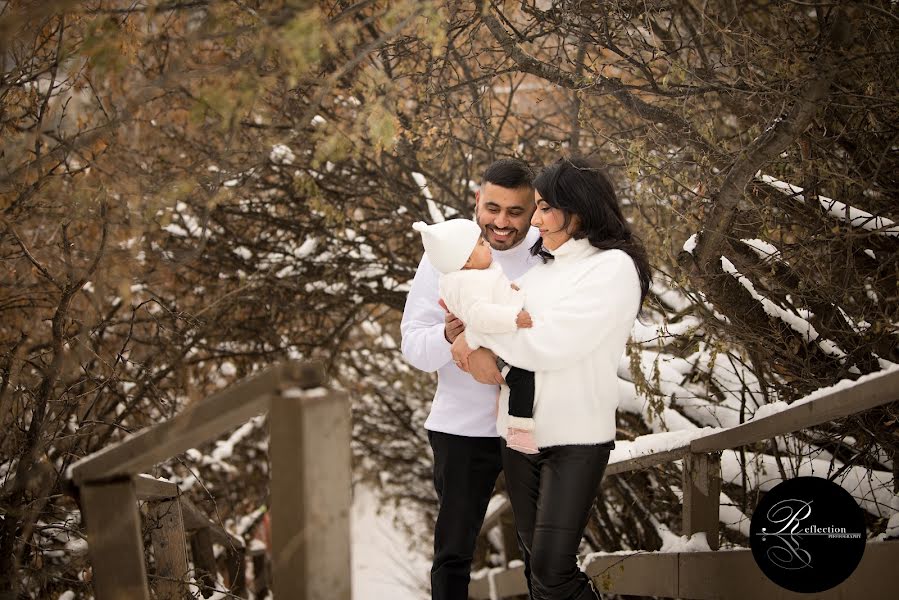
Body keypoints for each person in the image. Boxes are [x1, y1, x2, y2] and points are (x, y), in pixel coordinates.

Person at [451, 157, 652, 600]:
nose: (535, 220)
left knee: (552, 568)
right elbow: (504, 321)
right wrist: (474, 332)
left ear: (577, 209)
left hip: (575, 439)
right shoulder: (544, 270)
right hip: (519, 434)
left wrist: (479, 335)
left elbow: (551, 344)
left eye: (545, 208)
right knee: (536, 570)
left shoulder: (612, 268)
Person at [400, 158, 540, 600]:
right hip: (462, 429)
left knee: (544, 550)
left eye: (515, 212)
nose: (501, 222)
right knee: (454, 554)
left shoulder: (549, 251)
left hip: (534, 423)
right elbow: (414, 347)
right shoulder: (443, 258)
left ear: (535, 208)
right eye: (492, 208)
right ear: (477, 200)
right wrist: (454, 336)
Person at [411, 218, 539, 454]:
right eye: (481, 243)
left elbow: (496, 292)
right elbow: (481, 315)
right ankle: (519, 429)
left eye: (514, 210)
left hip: (503, 350)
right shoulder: (466, 282)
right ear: (467, 261)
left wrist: (511, 292)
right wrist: (512, 317)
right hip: (463, 432)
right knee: (522, 378)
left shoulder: (484, 271)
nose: (487, 244)